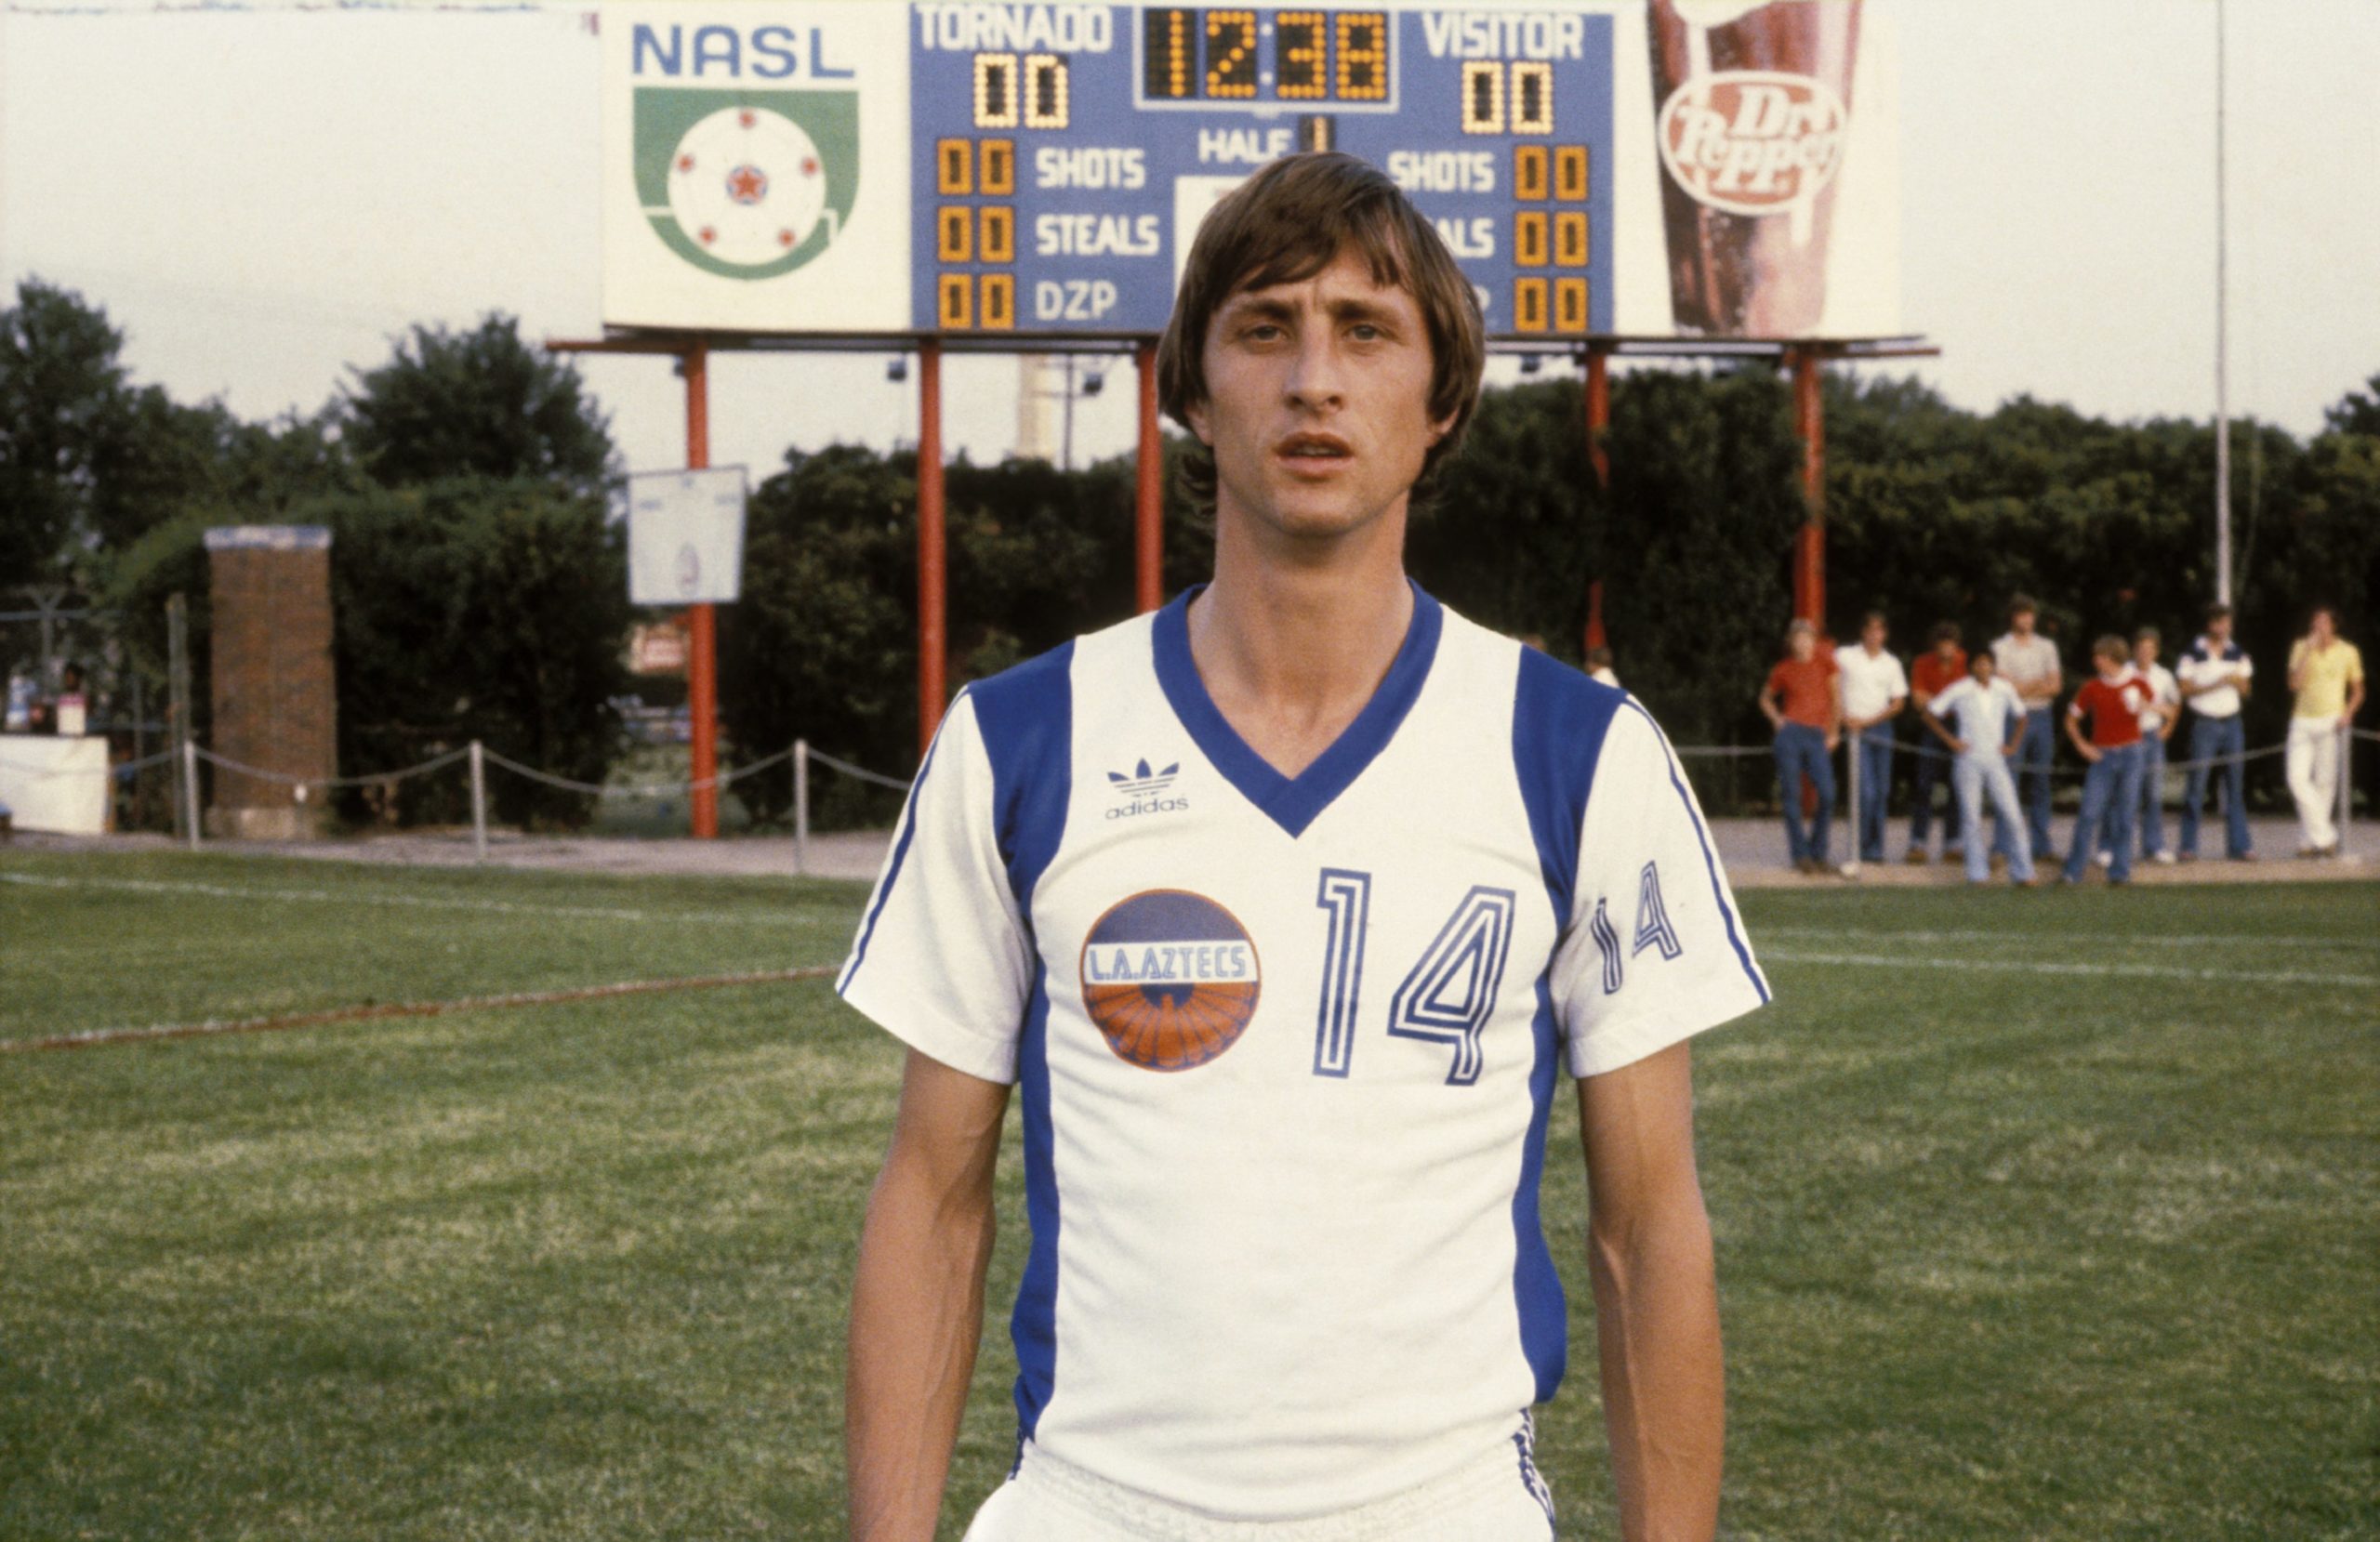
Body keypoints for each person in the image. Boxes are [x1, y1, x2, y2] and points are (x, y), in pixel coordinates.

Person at [840, 153, 1767, 1542]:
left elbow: (1646, 1226)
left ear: (1440, 398)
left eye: (1366, 330)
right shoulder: (1024, 735)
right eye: (1265, 327)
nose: (1313, 379)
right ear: (1195, 389)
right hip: (1094, 1504)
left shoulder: (1575, 748)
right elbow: (932, 1197)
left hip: (1442, 1507)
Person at [1922, 650, 2034, 885]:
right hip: (1968, 759)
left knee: (2012, 814)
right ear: (1972, 667)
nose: (1983, 668)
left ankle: (2023, 872)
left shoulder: (2004, 688)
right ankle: (1977, 873)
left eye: (1988, 664)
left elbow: (2022, 716)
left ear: (1993, 667)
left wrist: (2013, 744)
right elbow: (1931, 713)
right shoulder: (1960, 688)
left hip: (1996, 759)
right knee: (1971, 817)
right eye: (1979, 664)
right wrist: (1951, 740)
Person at [2061, 637, 2158, 885]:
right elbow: (2071, 720)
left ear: (2111, 658)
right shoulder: (2092, 687)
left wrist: (2144, 705)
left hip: (2132, 753)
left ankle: (2120, 872)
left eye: (2100, 656)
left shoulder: (2137, 682)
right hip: (2102, 755)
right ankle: (2072, 872)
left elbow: (2164, 709)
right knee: (2089, 812)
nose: (2095, 661)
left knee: (2126, 814)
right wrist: (2082, 745)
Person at [1760, 618, 1842, 875]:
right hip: (1791, 732)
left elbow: (1836, 698)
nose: (1802, 642)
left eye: (1807, 637)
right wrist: (1776, 719)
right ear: (1791, 642)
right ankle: (1800, 855)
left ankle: (1818, 852)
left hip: (1817, 734)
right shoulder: (1783, 669)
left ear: (1814, 641)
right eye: (1797, 638)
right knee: (1791, 794)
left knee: (1827, 792)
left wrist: (1834, 732)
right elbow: (1765, 698)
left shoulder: (1825, 664)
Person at [2175, 602, 2255, 862]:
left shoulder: (2237, 652)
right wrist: (2218, 683)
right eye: (2220, 623)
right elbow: (2185, 689)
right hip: (2205, 723)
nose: (2224, 628)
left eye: (2227, 623)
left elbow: (2247, 691)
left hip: (2232, 723)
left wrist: (2238, 683)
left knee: (2235, 785)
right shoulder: (2192, 652)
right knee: (2197, 786)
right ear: (2210, 624)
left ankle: (2240, 846)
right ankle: (2188, 847)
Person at [2284, 606, 2365, 858]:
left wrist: (2348, 713)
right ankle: (2326, 836)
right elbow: (2294, 684)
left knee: (2325, 783)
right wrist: (2308, 651)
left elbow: (2358, 689)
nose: (2317, 627)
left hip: (2331, 721)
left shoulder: (2348, 651)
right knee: (2296, 778)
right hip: (2302, 720)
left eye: (2323, 622)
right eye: (2314, 622)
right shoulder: (2300, 646)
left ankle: (2309, 842)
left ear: (2333, 625)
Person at [2098, 628, 2178, 866]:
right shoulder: (2123, 674)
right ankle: (2108, 847)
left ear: (2156, 652)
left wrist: (2167, 728)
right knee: (2119, 794)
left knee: (2153, 794)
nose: (2145, 654)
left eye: (2150, 650)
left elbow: (2174, 705)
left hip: (2152, 738)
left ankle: (2153, 846)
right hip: (2126, 739)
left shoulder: (2163, 676)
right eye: (2141, 649)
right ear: (2134, 650)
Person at [1991, 597, 2062, 863]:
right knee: (2007, 781)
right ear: (2013, 618)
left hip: (2043, 716)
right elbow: (2008, 689)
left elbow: (2055, 686)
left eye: (2030, 615)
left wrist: (2025, 686)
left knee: (2041, 781)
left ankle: (2042, 845)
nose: (2026, 620)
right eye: (2021, 615)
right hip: (2013, 716)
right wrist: (2036, 683)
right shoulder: (1999, 647)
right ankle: (2002, 846)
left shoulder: (2047, 646)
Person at [1834, 612, 1907, 864]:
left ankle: (1876, 850)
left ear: (1884, 634)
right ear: (1862, 632)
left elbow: (1898, 703)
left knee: (1882, 790)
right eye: (1870, 629)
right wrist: (1843, 717)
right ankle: (1859, 847)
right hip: (1854, 728)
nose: (1874, 635)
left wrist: (1869, 721)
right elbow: (1830, 685)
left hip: (1880, 728)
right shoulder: (1845, 656)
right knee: (1865, 791)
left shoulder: (1891, 663)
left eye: (1879, 630)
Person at [1904, 622, 1969, 864]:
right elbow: (1919, 701)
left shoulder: (1965, 662)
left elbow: (1968, 699)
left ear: (1956, 646)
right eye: (1942, 645)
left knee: (1957, 784)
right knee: (1924, 783)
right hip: (1931, 724)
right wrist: (1948, 701)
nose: (1946, 650)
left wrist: (1939, 700)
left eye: (1950, 645)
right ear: (1935, 646)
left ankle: (1953, 842)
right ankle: (1917, 842)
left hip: (1959, 725)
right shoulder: (1922, 663)